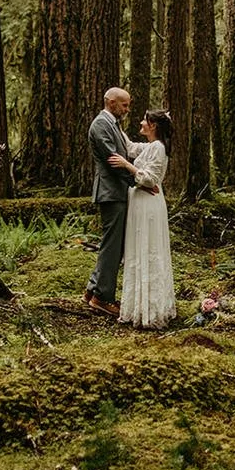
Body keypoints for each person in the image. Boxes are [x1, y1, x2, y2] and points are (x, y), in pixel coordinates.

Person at [108, 110, 176, 330]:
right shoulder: (150, 146)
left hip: (149, 205)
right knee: (139, 248)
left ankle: (151, 310)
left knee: (148, 248)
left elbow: (149, 179)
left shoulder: (158, 148)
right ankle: (139, 306)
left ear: (153, 125)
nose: (140, 122)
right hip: (140, 202)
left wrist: (127, 165)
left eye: (145, 121)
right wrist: (114, 122)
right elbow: (129, 147)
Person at [84, 87, 138, 315]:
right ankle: (103, 297)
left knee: (112, 245)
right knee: (113, 247)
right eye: (124, 105)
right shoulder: (100, 125)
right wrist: (138, 180)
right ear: (111, 102)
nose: (127, 109)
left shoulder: (112, 124)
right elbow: (113, 160)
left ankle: (93, 289)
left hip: (116, 191)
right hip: (111, 192)